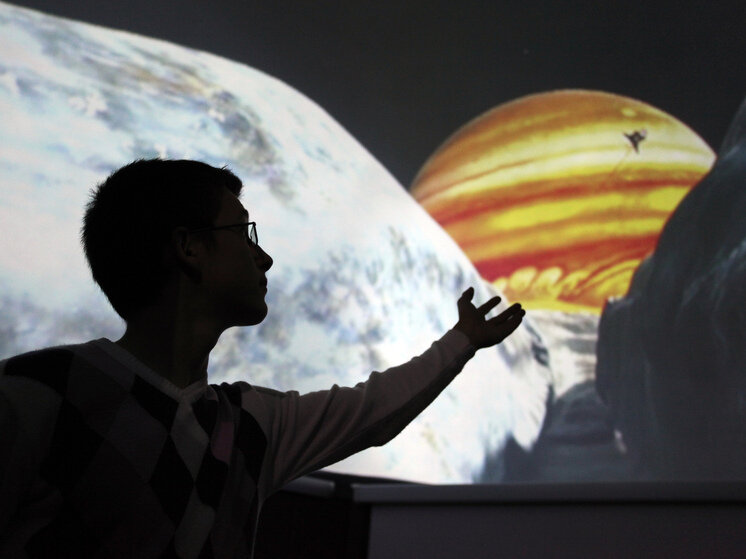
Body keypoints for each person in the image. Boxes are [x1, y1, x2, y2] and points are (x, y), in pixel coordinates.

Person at [0, 159, 525, 558]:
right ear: (189, 247)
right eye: (243, 232)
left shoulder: (247, 427)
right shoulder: (37, 396)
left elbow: (373, 411)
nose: (264, 257)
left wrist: (461, 341)